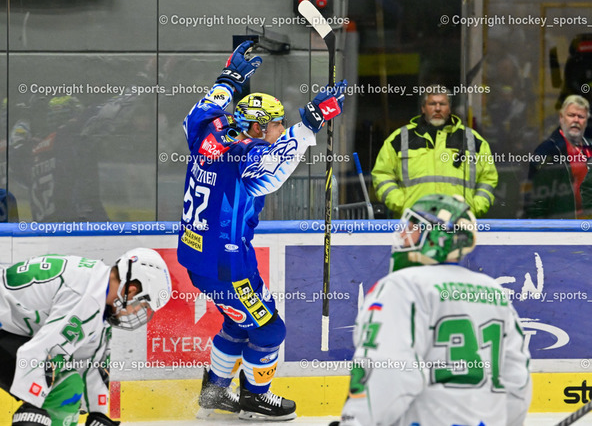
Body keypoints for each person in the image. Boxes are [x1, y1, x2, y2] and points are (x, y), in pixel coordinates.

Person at [176, 40, 347, 421]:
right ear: (255, 127)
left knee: (238, 324)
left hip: (199, 255)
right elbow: (275, 165)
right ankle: (255, 398)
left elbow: (202, 109)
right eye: (275, 124)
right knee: (270, 331)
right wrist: (310, 123)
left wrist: (229, 80)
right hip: (227, 264)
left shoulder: (206, 131)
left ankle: (214, 393)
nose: (280, 129)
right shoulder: (246, 157)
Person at [333, 194, 531, 426]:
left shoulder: (402, 286)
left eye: (412, 228)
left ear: (437, 238)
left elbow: (389, 371)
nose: (402, 235)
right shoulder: (494, 292)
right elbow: (517, 381)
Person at [0, 247, 172, 426]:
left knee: (68, 384)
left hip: (7, 327)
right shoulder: (87, 298)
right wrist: (33, 406)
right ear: (131, 291)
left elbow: (89, 364)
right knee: (64, 387)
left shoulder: (97, 288)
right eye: (143, 305)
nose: (136, 312)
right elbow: (38, 353)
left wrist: (100, 414)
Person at [371, 85, 498, 218]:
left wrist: (475, 207)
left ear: (449, 108)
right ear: (423, 108)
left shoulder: (472, 140)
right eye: (432, 104)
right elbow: (382, 174)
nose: (437, 108)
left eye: (442, 104)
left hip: (458, 221)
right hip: (413, 222)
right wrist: (402, 204)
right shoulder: (400, 139)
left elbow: (488, 178)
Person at [523, 95, 592, 219]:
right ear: (561, 118)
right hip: (562, 224)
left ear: (586, 121)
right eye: (571, 115)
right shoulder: (547, 151)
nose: (576, 120)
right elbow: (535, 202)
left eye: (581, 117)